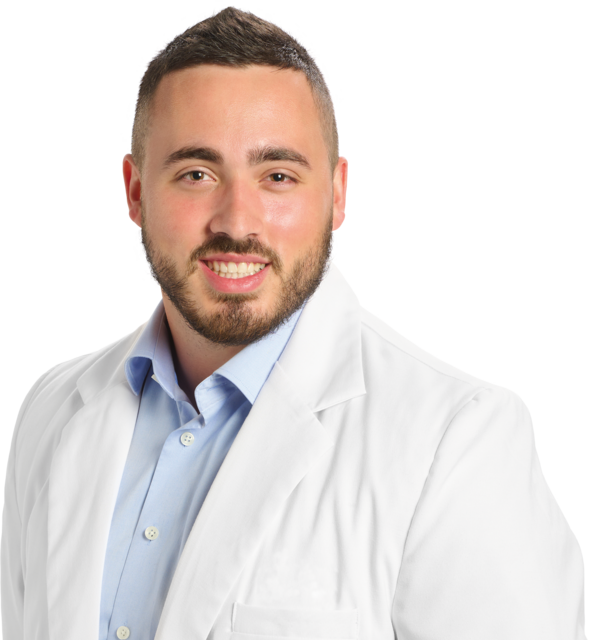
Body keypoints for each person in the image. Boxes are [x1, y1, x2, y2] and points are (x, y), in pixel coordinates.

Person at [1, 6, 584, 640]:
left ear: (336, 194)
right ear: (135, 191)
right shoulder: (50, 411)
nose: (236, 222)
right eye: (196, 174)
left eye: (277, 176)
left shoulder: (459, 440)